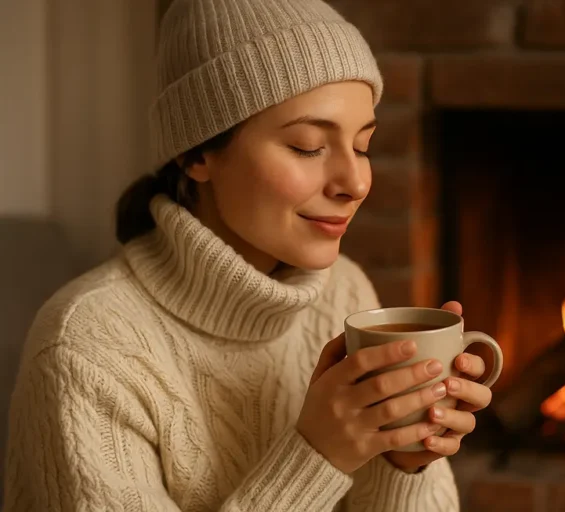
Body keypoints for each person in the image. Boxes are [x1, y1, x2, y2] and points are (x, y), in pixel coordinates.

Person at [3, 0, 494, 510]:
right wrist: (317, 457)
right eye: (307, 146)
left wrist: (404, 461)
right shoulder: (83, 349)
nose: (356, 183)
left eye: (363, 145)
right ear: (196, 153)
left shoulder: (344, 291)